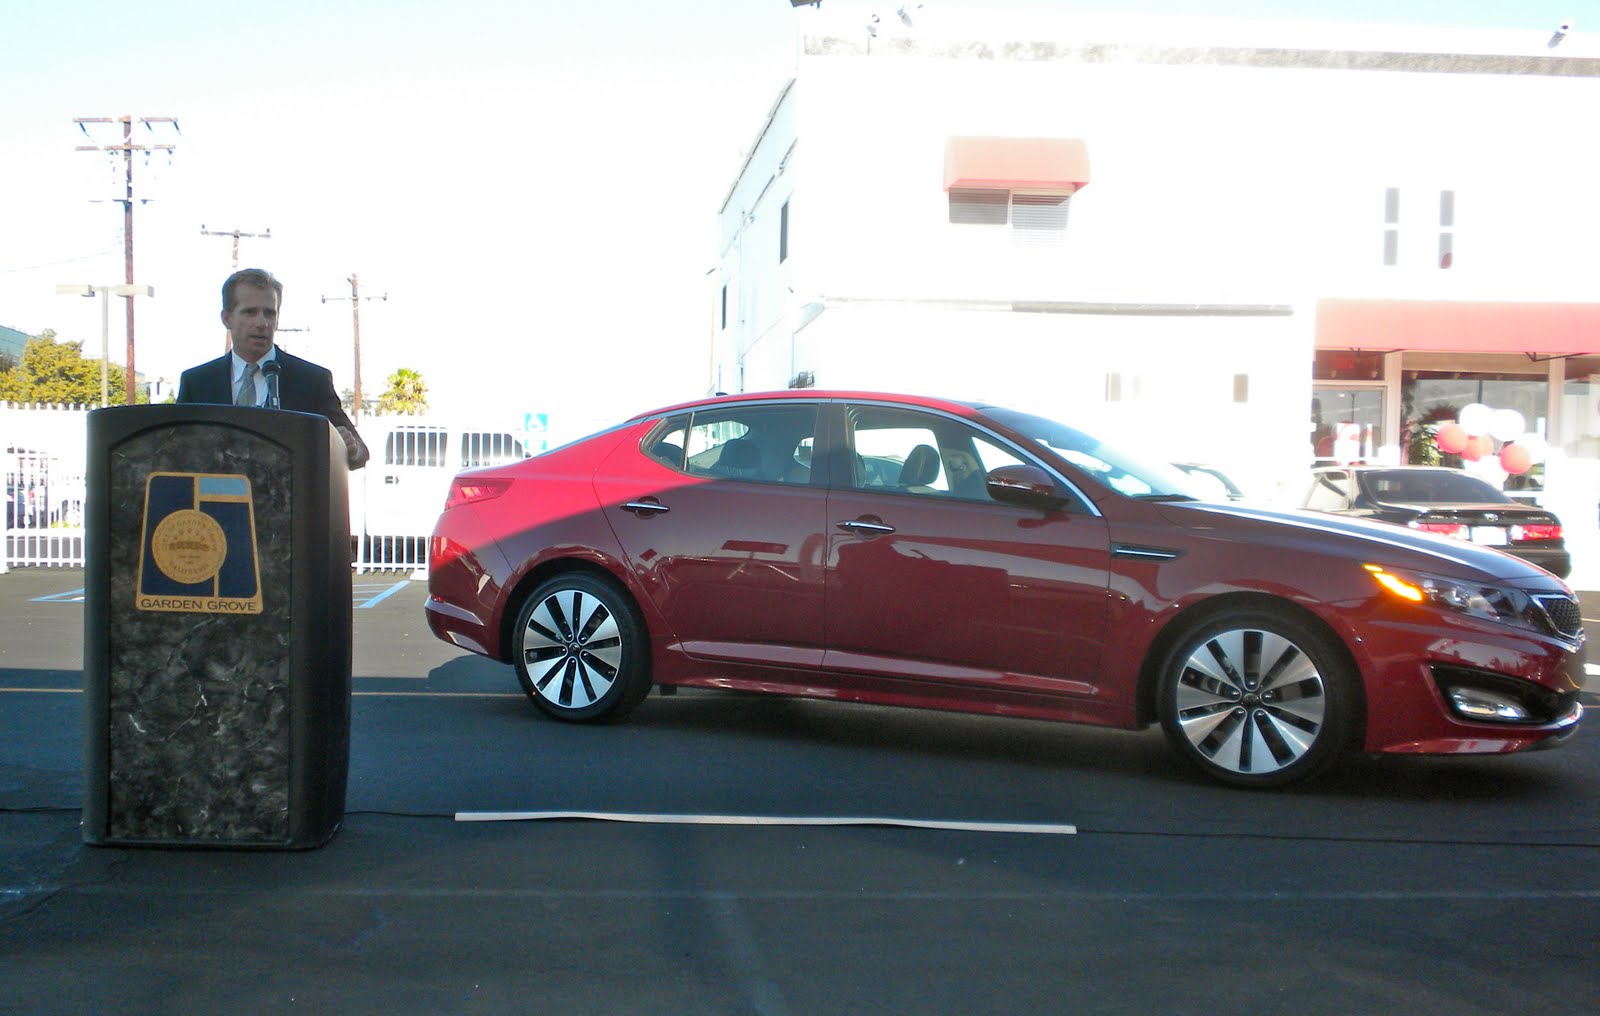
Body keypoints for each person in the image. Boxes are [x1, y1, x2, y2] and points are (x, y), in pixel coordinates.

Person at [176, 268, 369, 469]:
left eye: (269, 313)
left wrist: (351, 447)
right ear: (227, 318)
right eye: (250, 312)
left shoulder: (311, 381)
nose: (262, 323)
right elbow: (176, 451)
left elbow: (360, 453)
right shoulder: (197, 382)